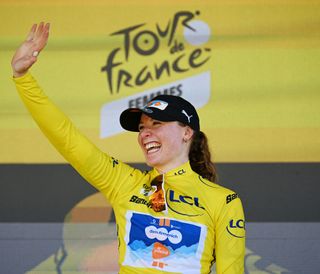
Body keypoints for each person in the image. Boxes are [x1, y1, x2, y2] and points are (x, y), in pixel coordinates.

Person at [11, 23, 245, 274]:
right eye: (142, 127)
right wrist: (23, 79)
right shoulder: (124, 183)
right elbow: (67, 138)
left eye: (156, 123)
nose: (145, 133)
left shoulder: (224, 201)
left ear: (187, 132)